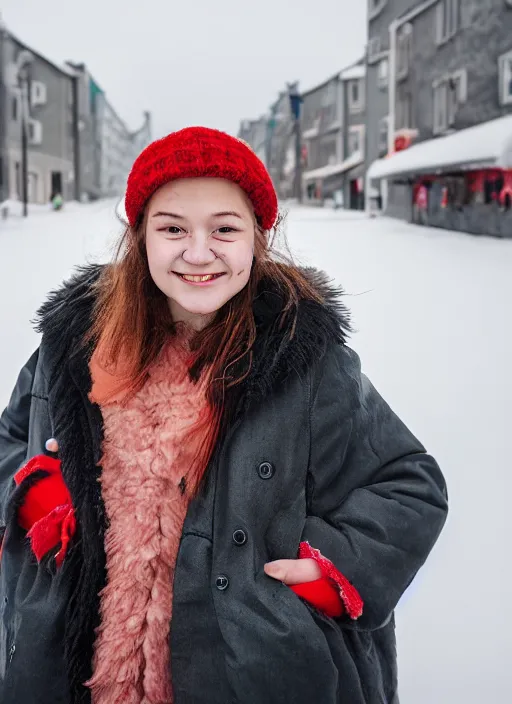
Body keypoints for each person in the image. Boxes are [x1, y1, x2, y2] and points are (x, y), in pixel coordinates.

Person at [0, 127, 448, 704]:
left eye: (225, 229)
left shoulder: (305, 363)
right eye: (172, 229)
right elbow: (12, 437)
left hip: (249, 669)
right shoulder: (74, 346)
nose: (198, 252)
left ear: (257, 240)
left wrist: (332, 569)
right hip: (71, 669)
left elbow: (410, 485)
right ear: (140, 236)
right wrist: (32, 485)